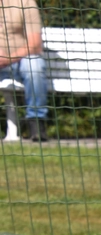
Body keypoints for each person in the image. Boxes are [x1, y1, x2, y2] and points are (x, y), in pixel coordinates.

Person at [0, 0, 46, 142]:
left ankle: (36, 122)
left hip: (19, 61)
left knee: (34, 66)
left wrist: (8, 58)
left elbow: (35, 44)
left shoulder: (25, 2)